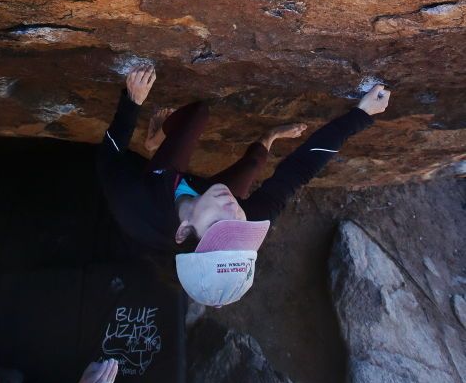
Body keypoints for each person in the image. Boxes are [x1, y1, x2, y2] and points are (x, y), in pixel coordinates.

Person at [97, 66, 390, 307]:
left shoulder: (134, 204)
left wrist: (132, 101)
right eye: (237, 226)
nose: (233, 210)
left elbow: (108, 158)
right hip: (199, 200)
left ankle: (153, 142)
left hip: (159, 181)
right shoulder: (242, 221)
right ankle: (268, 138)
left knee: (197, 114)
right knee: (251, 168)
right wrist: (361, 115)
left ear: (185, 230)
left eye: (221, 225)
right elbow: (298, 172)